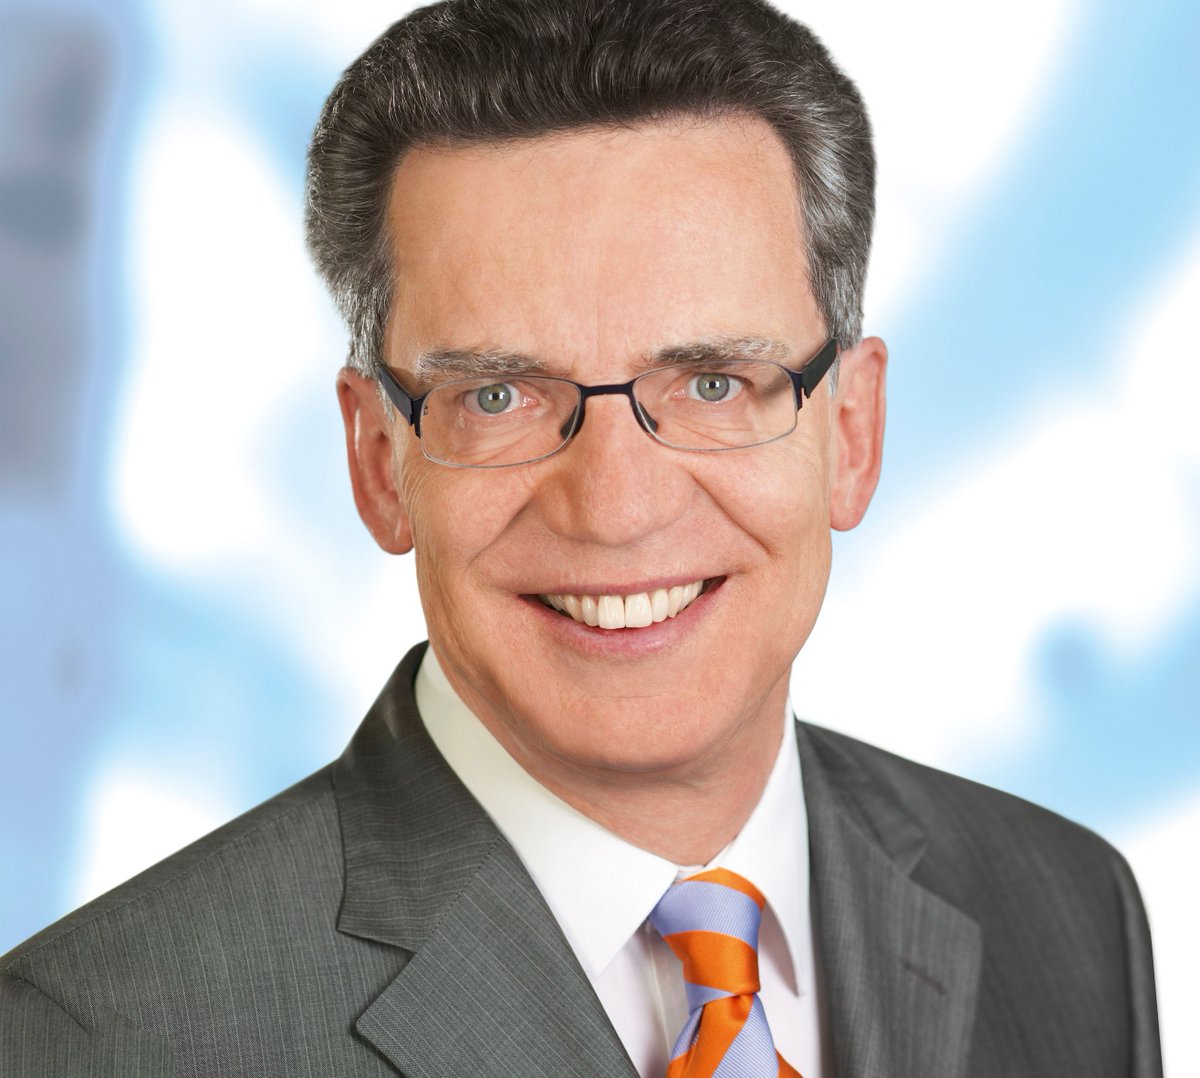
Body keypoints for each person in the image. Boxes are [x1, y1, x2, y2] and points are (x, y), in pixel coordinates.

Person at [0, 1, 1162, 1075]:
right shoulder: (101, 1038)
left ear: (852, 432)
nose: (615, 505)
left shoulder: (1066, 912)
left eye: (714, 381)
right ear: (378, 461)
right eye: (499, 396)